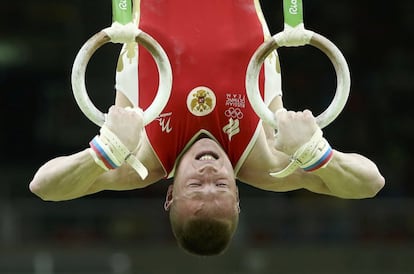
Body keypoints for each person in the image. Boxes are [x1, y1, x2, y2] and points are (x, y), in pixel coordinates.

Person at [29, 0, 385, 256]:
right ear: (239, 197)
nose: (210, 171)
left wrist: (103, 152)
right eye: (221, 185)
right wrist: (315, 153)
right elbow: (370, 184)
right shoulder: (267, 162)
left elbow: (44, 187)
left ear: (170, 196)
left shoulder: (139, 161)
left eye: (197, 184)